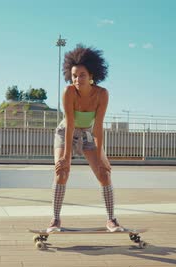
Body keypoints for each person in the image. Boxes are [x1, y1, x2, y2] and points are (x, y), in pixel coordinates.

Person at [48, 44, 123, 233]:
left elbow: (98, 127)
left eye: (82, 75)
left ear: (91, 76)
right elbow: (70, 123)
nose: (77, 79)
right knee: (61, 172)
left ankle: (111, 220)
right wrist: (65, 157)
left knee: (104, 173)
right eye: (74, 75)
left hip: (89, 134)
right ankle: (55, 220)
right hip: (66, 132)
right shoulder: (69, 92)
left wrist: (99, 158)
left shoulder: (101, 94)